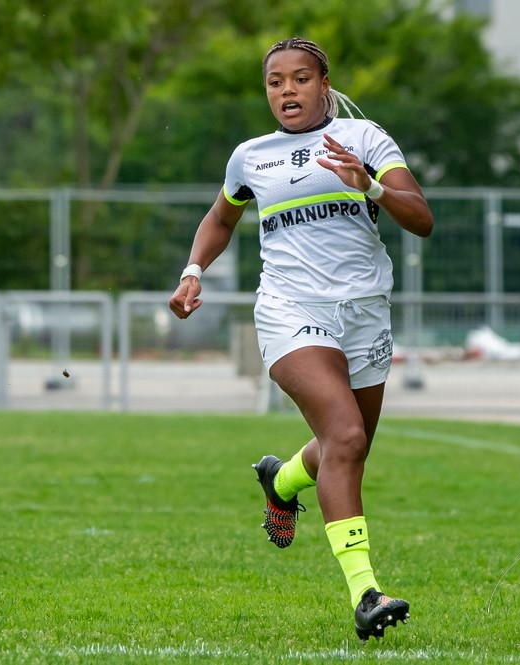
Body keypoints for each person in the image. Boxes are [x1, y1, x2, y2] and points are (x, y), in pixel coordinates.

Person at [168, 37, 433, 641]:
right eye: (275, 82)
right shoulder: (250, 157)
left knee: (349, 445)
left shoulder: (364, 139)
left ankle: (283, 479)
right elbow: (221, 217)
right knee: (345, 436)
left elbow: (421, 218)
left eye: (300, 78)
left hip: (365, 314)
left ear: (323, 84)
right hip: (289, 311)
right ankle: (366, 593)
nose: (287, 90)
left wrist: (369, 185)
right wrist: (192, 270)